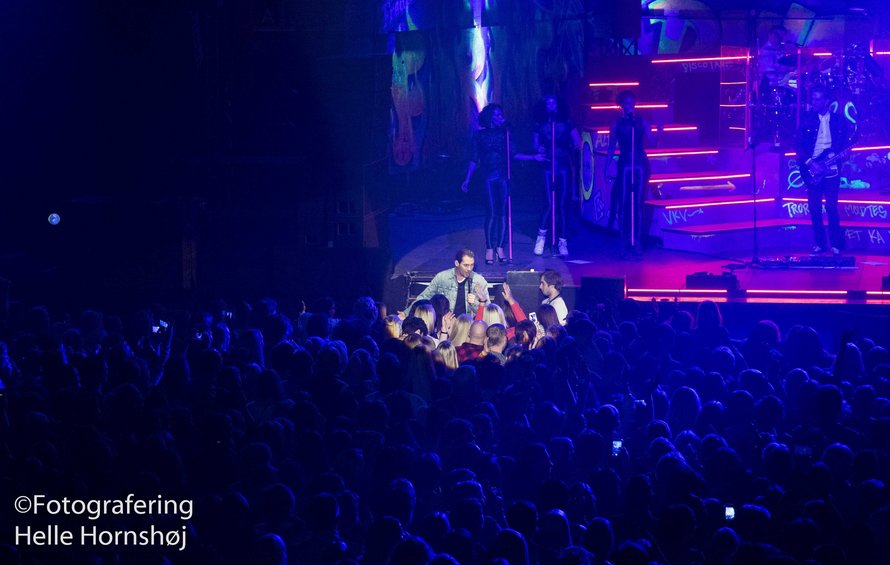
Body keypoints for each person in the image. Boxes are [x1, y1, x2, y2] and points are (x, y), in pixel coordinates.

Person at [462, 103, 546, 264]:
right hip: (487, 177)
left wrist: (533, 157)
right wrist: (467, 179)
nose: (501, 117)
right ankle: (489, 248)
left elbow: (514, 154)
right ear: (489, 116)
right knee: (491, 212)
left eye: (501, 115)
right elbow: (474, 159)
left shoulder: (505, 134)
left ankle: (500, 247)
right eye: (497, 115)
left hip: (503, 177)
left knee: (502, 212)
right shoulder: (479, 135)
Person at [796, 85, 851, 255]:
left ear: (826, 101)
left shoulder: (839, 120)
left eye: (818, 99)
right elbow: (798, 144)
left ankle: (836, 245)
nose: (814, 102)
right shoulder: (807, 119)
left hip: (831, 168)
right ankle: (820, 244)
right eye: (813, 99)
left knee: (831, 207)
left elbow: (845, 145)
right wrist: (810, 163)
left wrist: (844, 154)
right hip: (812, 168)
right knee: (814, 208)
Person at [533, 95, 581, 257]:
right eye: (548, 103)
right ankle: (541, 238)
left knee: (562, 204)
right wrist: (539, 149)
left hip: (564, 165)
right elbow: (535, 145)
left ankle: (562, 241)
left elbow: (578, 142)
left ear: (558, 105)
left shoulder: (567, 123)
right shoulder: (539, 125)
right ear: (545, 106)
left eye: (554, 103)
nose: (551, 105)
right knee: (548, 203)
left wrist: (572, 145)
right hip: (547, 166)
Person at [606, 90, 650, 258]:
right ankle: (623, 241)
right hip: (624, 163)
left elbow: (652, 141)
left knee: (638, 203)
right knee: (624, 203)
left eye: (632, 103)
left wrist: (658, 132)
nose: (630, 106)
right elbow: (611, 146)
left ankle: (637, 241)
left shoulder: (641, 120)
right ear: (621, 105)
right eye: (627, 103)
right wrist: (607, 167)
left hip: (640, 163)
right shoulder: (616, 123)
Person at [412, 249, 491, 316]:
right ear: (457, 263)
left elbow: (489, 312)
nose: (469, 269)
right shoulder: (442, 278)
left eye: (472, 265)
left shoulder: (479, 281)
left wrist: (475, 303)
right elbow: (424, 297)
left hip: (468, 325)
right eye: (466, 265)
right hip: (445, 324)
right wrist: (407, 313)